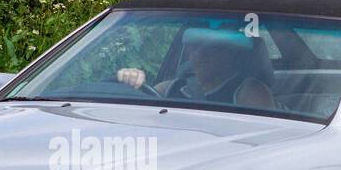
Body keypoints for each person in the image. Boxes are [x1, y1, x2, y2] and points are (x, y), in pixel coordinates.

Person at [116, 33, 275, 109]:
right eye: (194, 48)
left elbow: (262, 141)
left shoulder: (249, 91)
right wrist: (132, 82)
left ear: (229, 56)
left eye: (211, 49)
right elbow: (141, 114)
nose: (199, 55)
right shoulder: (170, 87)